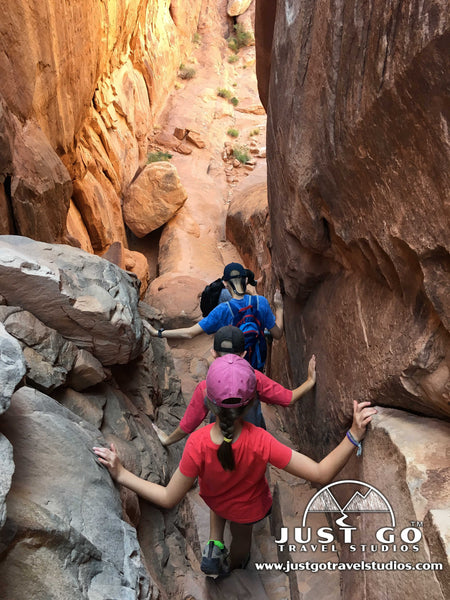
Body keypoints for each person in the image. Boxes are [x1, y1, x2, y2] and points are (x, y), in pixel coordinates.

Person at [93, 355, 376, 577]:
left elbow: (168, 497)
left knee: (219, 506)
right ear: (252, 401)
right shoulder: (261, 441)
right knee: (241, 541)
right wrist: (354, 434)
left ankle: (214, 544)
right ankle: (235, 565)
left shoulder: (198, 443)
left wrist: (121, 473)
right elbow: (321, 473)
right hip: (247, 510)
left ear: (209, 403)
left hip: (216, 500)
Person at [154, 325, 316, 447]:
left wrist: (167, 440)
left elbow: (188, 425)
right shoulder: (254, 377)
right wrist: (309, 381)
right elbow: (289, 398)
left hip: (220, 441)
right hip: (254, 442)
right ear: (244, 353)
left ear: (213, 353)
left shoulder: (205, 387)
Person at [144, 262, 283, 371]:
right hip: (256, 367)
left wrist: (157, 332)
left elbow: (189, 333)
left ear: (225, 283)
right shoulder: (261, 303)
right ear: (245, 280)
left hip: (233, 369)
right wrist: (280, 309)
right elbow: (277, 334)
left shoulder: (222, 310)